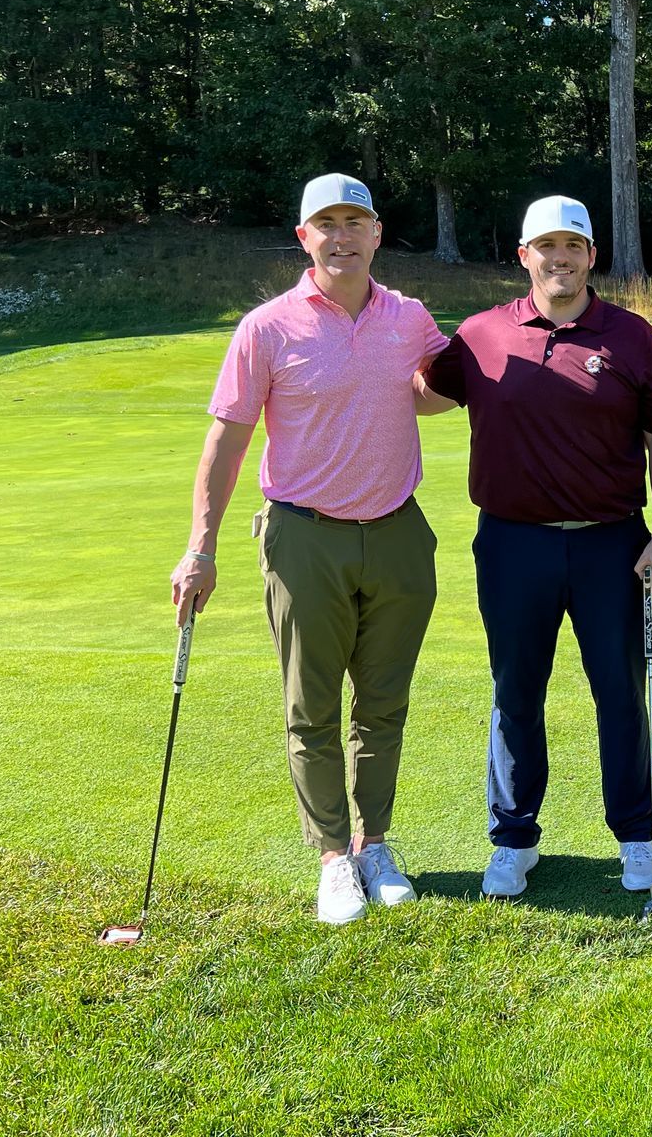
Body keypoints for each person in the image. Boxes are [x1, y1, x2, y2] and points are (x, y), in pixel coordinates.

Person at [169, 172, 450, 926]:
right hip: (304, 537)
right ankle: (332, 858)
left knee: (383, 706)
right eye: (326, 223)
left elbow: (434, 386)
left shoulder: (410, 317)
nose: (342, 236)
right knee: (312, 709)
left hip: (397, 533)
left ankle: (375, 845)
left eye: (355, 221)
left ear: (377, 233)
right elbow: (227, 440)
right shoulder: (266, 327)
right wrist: (200, 546)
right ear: (304, 237)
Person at [416, 195, 652, 900]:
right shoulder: (479, 334)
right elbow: (417, 392)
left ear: (592, 256)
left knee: (619, 694)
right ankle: (513, 839)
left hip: (611, 544)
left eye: (573, 246)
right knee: (515, 692)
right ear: (524, 255)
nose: (559, 258)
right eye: (546, 246)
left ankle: (636, 835)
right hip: (511, 544)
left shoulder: (632, 337)